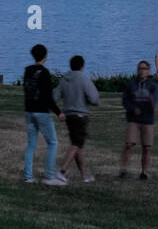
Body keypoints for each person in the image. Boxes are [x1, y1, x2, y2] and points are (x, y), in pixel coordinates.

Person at [23, 44, 66, 185]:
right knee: (52, 142)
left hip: (29, 111)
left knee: (31, 145)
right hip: (41, 112)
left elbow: (27, 91)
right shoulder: (45, 73)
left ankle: (28, 176)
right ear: (45, 56)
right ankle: (49, 176)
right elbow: (48, 97)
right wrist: (58, 112)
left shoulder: (27, 71)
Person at [58, 54, 100, 182]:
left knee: (77, 146)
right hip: (81, 116)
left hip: (69, 116)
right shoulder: (84, 79)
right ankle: (62, 171)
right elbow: (94, 99)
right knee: (76, 144)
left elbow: (55, 96)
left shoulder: (64, 79)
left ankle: (84, 175)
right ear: (82, 67)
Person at [120, 60, 158, 180]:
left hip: (147, 120)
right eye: (140, 68)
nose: (141, 71)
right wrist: (133, 108)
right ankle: (123, 170)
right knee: (128, 144)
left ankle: (144, 172)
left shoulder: (153, 86)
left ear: (148, 71)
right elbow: (125, 101)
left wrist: (150, 99)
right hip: (133, 119)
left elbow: (156, 100)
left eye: (144, 69)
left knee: (146, 147)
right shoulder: (131, 85)